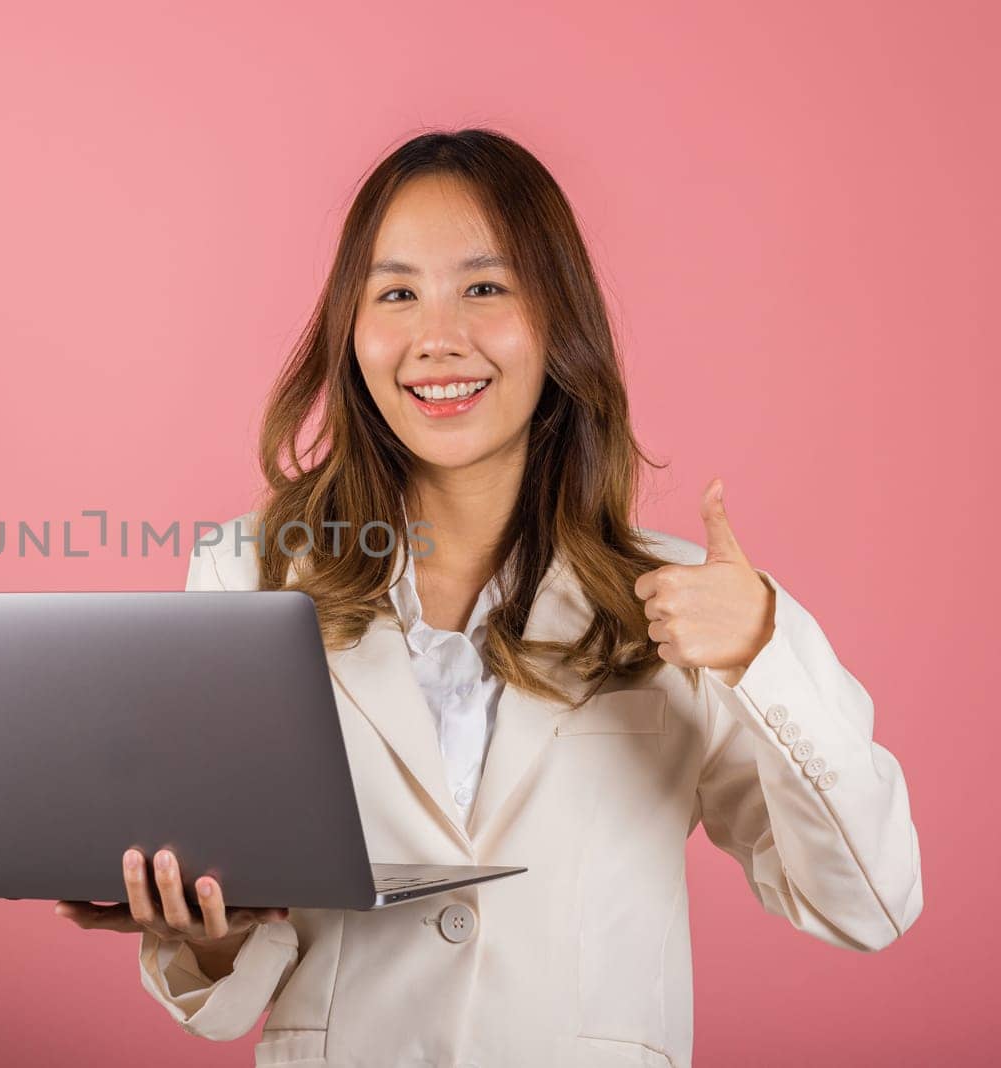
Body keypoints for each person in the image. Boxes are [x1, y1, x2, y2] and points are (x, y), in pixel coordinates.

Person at [54, 127, 922, 1067]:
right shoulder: (248, 576)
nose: (436, 339)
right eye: (395, 293)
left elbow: (866, 904)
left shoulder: (678, 600)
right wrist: (201, 931)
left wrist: (765, 645)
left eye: (484, 287)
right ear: (351, 332)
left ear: (559, 319)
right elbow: (232, 990)